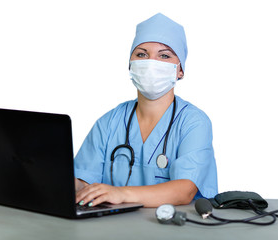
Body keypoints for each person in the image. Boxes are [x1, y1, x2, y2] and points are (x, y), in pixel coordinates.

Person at [74, 13, 218, 208]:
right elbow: (83, 180)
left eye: (164, 55)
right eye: (141, 54)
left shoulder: (193, 122)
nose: (151, 63)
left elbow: (185, 190)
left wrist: (121, 193)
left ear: (180, 70)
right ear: (131, 65)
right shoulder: (109, 122)